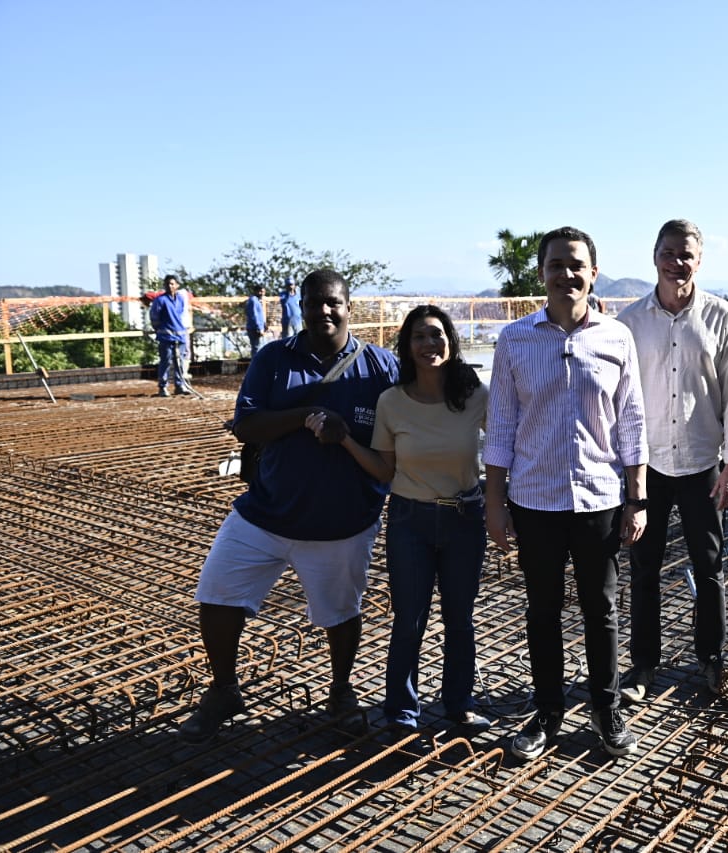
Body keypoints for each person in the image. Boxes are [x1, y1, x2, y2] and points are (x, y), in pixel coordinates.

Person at [178, 269, 399, 743]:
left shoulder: (381, 366)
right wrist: (303, 417)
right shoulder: (274, 359)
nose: (323, 310)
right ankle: (223, 690)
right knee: (216, 594)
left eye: (333, 302)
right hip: (267, 512)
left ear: (348, 306)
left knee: (341, 613)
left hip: (342, 523)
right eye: (314, 302)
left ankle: (340, 692)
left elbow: (407, 428)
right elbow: (246, 425)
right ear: (299, 305)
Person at [484, 226, 649, 760]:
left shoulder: (616, 337)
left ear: (593, 273)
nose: (567, 274)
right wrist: (494, 501)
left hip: (600, 498)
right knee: (543, 610)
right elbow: (501, 425)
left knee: (601, 610)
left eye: (577, 264)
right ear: (542, 274)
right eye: (556, 265)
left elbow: (632, 422)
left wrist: (637, 496)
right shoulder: (515, 339)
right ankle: (548, 712)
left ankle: (605, 709)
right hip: (534, 500)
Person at [315, 305, 491, 736]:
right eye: (419, 337)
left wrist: (500, 499)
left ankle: (459, 704)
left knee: (460, 619)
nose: (429, 344)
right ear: (407, 348)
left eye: (436, 335)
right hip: (410, 521)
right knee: (409, 619)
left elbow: (506, 449)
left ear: (450, 340)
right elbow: (385, 470)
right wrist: (345, 444)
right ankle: (401, 712)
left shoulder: (475, 396)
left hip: (465, 519)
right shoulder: (391, 402)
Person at [616, 219, 728, 700]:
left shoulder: (720, 317)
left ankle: (710, 658)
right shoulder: (630, 322)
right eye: (669, 253)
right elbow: (621, 399)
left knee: (709, 564)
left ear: (700, 259)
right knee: (644, 566)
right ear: (654, 255)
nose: (677, 262)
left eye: (686, 254)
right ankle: (643, 667)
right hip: (648, 465)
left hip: (700, 461)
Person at [149, 274, 190, 396]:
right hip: (166, 336)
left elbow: (182, 315)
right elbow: (154, 317)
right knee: (166, 361)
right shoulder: (160, 300)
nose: (170, 286)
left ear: (177, 285)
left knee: (180, 362)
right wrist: (159, 329)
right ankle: (163, 387)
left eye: (172, 283)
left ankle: (180, 385)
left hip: (181, 335)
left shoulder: (181, 299)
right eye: (167, 283)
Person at [245, 284, 267, 355]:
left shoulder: (258, 301)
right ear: (256, 291)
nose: (262, 293)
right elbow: (254, 315)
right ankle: (256, 364)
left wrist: (264, 324)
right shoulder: (253, 301)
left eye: (263, 292)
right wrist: (259, 328)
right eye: (260, 291)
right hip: (254, 328)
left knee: (259, 347)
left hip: (258, 327)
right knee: (257, 348)